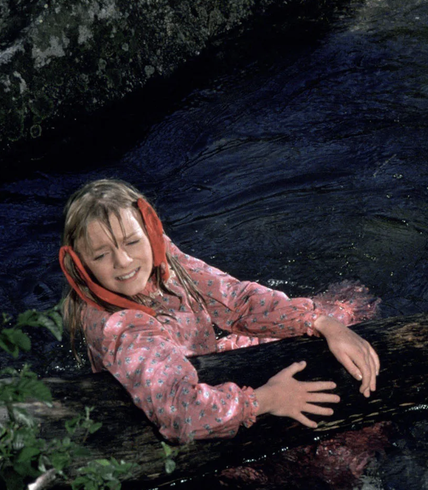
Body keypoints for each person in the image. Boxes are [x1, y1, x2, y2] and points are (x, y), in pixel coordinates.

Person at [59, 179, 380, 443]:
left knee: (346, 311)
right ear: (79, 266)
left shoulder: (160, 254)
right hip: (193, 412)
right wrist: (266, 400)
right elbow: (181, 412)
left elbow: (235, 301)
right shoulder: (123, 328)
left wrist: (319, 320)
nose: (124, 262)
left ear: (151, 232)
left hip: (206, 362)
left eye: (131, 242)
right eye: (101, 255)